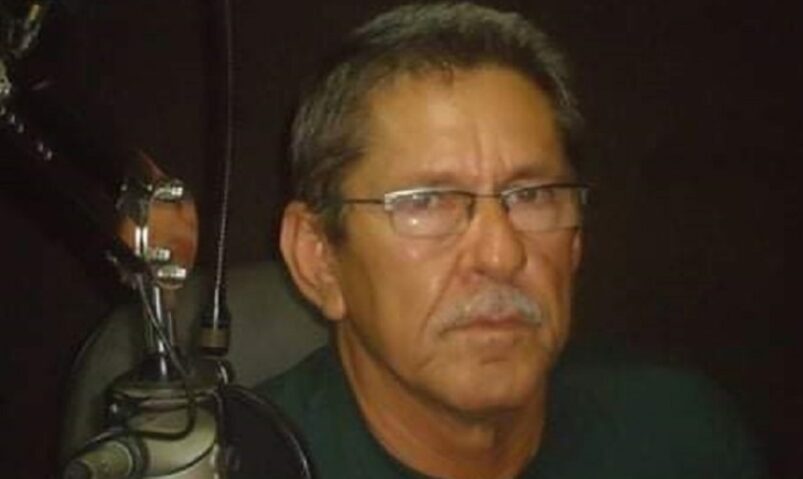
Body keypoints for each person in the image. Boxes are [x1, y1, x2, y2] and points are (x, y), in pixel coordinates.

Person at [260, 3, 765, 478]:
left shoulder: (678, 436)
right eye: (427, 202)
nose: (501, 255)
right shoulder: (245, 464)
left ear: (576, 243)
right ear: (318, 259)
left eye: (533, 196)